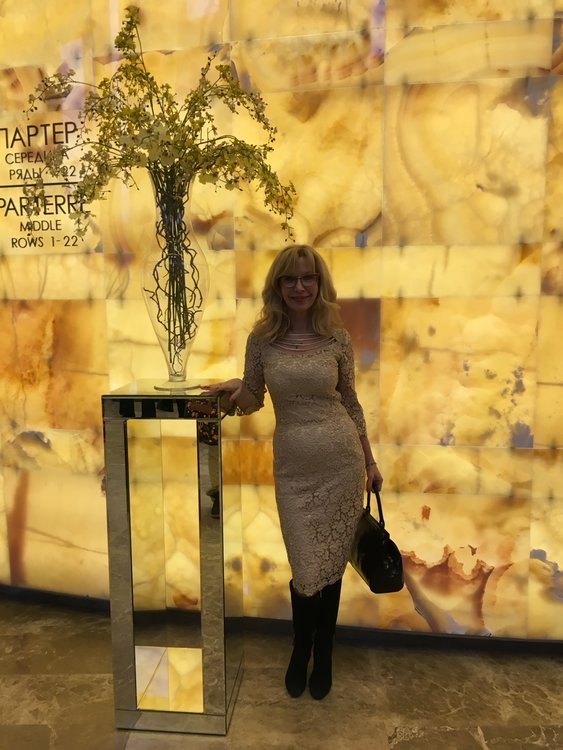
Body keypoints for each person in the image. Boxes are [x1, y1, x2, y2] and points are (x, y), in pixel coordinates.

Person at [204, 244, 383, 700]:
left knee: (332, 567)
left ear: (319, 283)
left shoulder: (337, 338)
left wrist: (369, 461)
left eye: (308, 278)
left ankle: (324, 652)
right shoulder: (262, 339)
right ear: (277, 286)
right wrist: (235, 388)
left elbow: (351, 403)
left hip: (341, 464)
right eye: (290, 279)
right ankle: (301, 647)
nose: (299, 286)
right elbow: (253, 398)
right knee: (305, 568)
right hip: (294, 471)